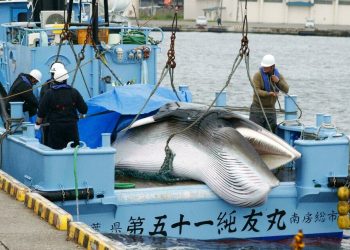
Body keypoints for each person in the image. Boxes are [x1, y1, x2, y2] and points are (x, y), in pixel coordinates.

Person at [36, 68, 88, 150]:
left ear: (54, 80)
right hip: (71, 129)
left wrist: (37, 124)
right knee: (73, 153)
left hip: (55, 129)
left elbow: (41, 112)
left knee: (55, 152)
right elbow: (84, 109)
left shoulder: (49, 93)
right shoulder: (74, 92)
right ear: (66, 79)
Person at [249, 54, 289, 132]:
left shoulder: (278, 76)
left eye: (266, 67)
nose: (264, 68)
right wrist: (269, 94)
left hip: (271, 110)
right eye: (264, 66)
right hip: (257, 109)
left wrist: (278, 81)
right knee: (255, 133)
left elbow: (286, 89)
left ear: (272, 66)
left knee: (271, 133)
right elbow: (257, 91)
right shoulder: (258, 76)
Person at [39, 62, 65, 146]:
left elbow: (41, 105)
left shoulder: (46, 86)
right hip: (52, 121)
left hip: (52, 120)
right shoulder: (48, 88)